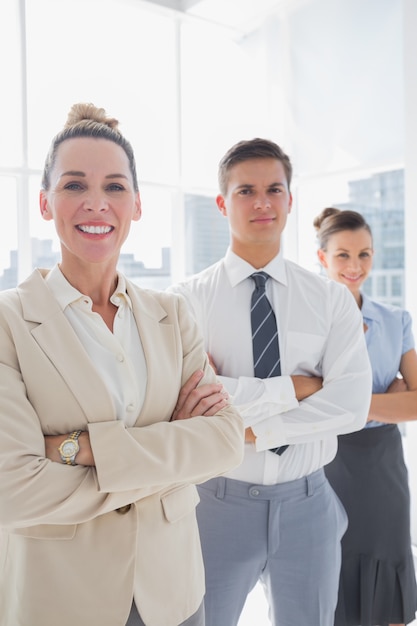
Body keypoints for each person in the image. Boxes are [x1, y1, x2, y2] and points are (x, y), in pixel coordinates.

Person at [0, 103, 244, 626]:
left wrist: (78, 449)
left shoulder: (172, 315)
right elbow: (12, 490)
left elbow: (225, 441)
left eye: (114, 186)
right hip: (62, 601)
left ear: (136, 204)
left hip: (174, 593)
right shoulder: (9, 322)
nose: (96, 203)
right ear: (45, 203)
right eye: (73, 186)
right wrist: (176, 453)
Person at [168, 138, 373, 626]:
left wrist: (252, 429)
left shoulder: (330, 300)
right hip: (216, 503)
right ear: (222, 203)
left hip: (309, 505)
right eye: (246, 191)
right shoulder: (185, 302)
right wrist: (298, 387)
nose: (262, 202)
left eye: (274, 189)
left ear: (289, 200)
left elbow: (350, 405)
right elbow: (188, 402)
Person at [314, 206, 417, 626]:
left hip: (383, 465)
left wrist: (350, 403)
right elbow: (302, 401)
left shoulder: (396, 320)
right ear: (322, 257)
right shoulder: (308, 322)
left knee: (389, 586)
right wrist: (385, 398)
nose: (355, 266)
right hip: (324, 460)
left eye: (365, 254)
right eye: (343, 255)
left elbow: (416, 403)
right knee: (328, 578)